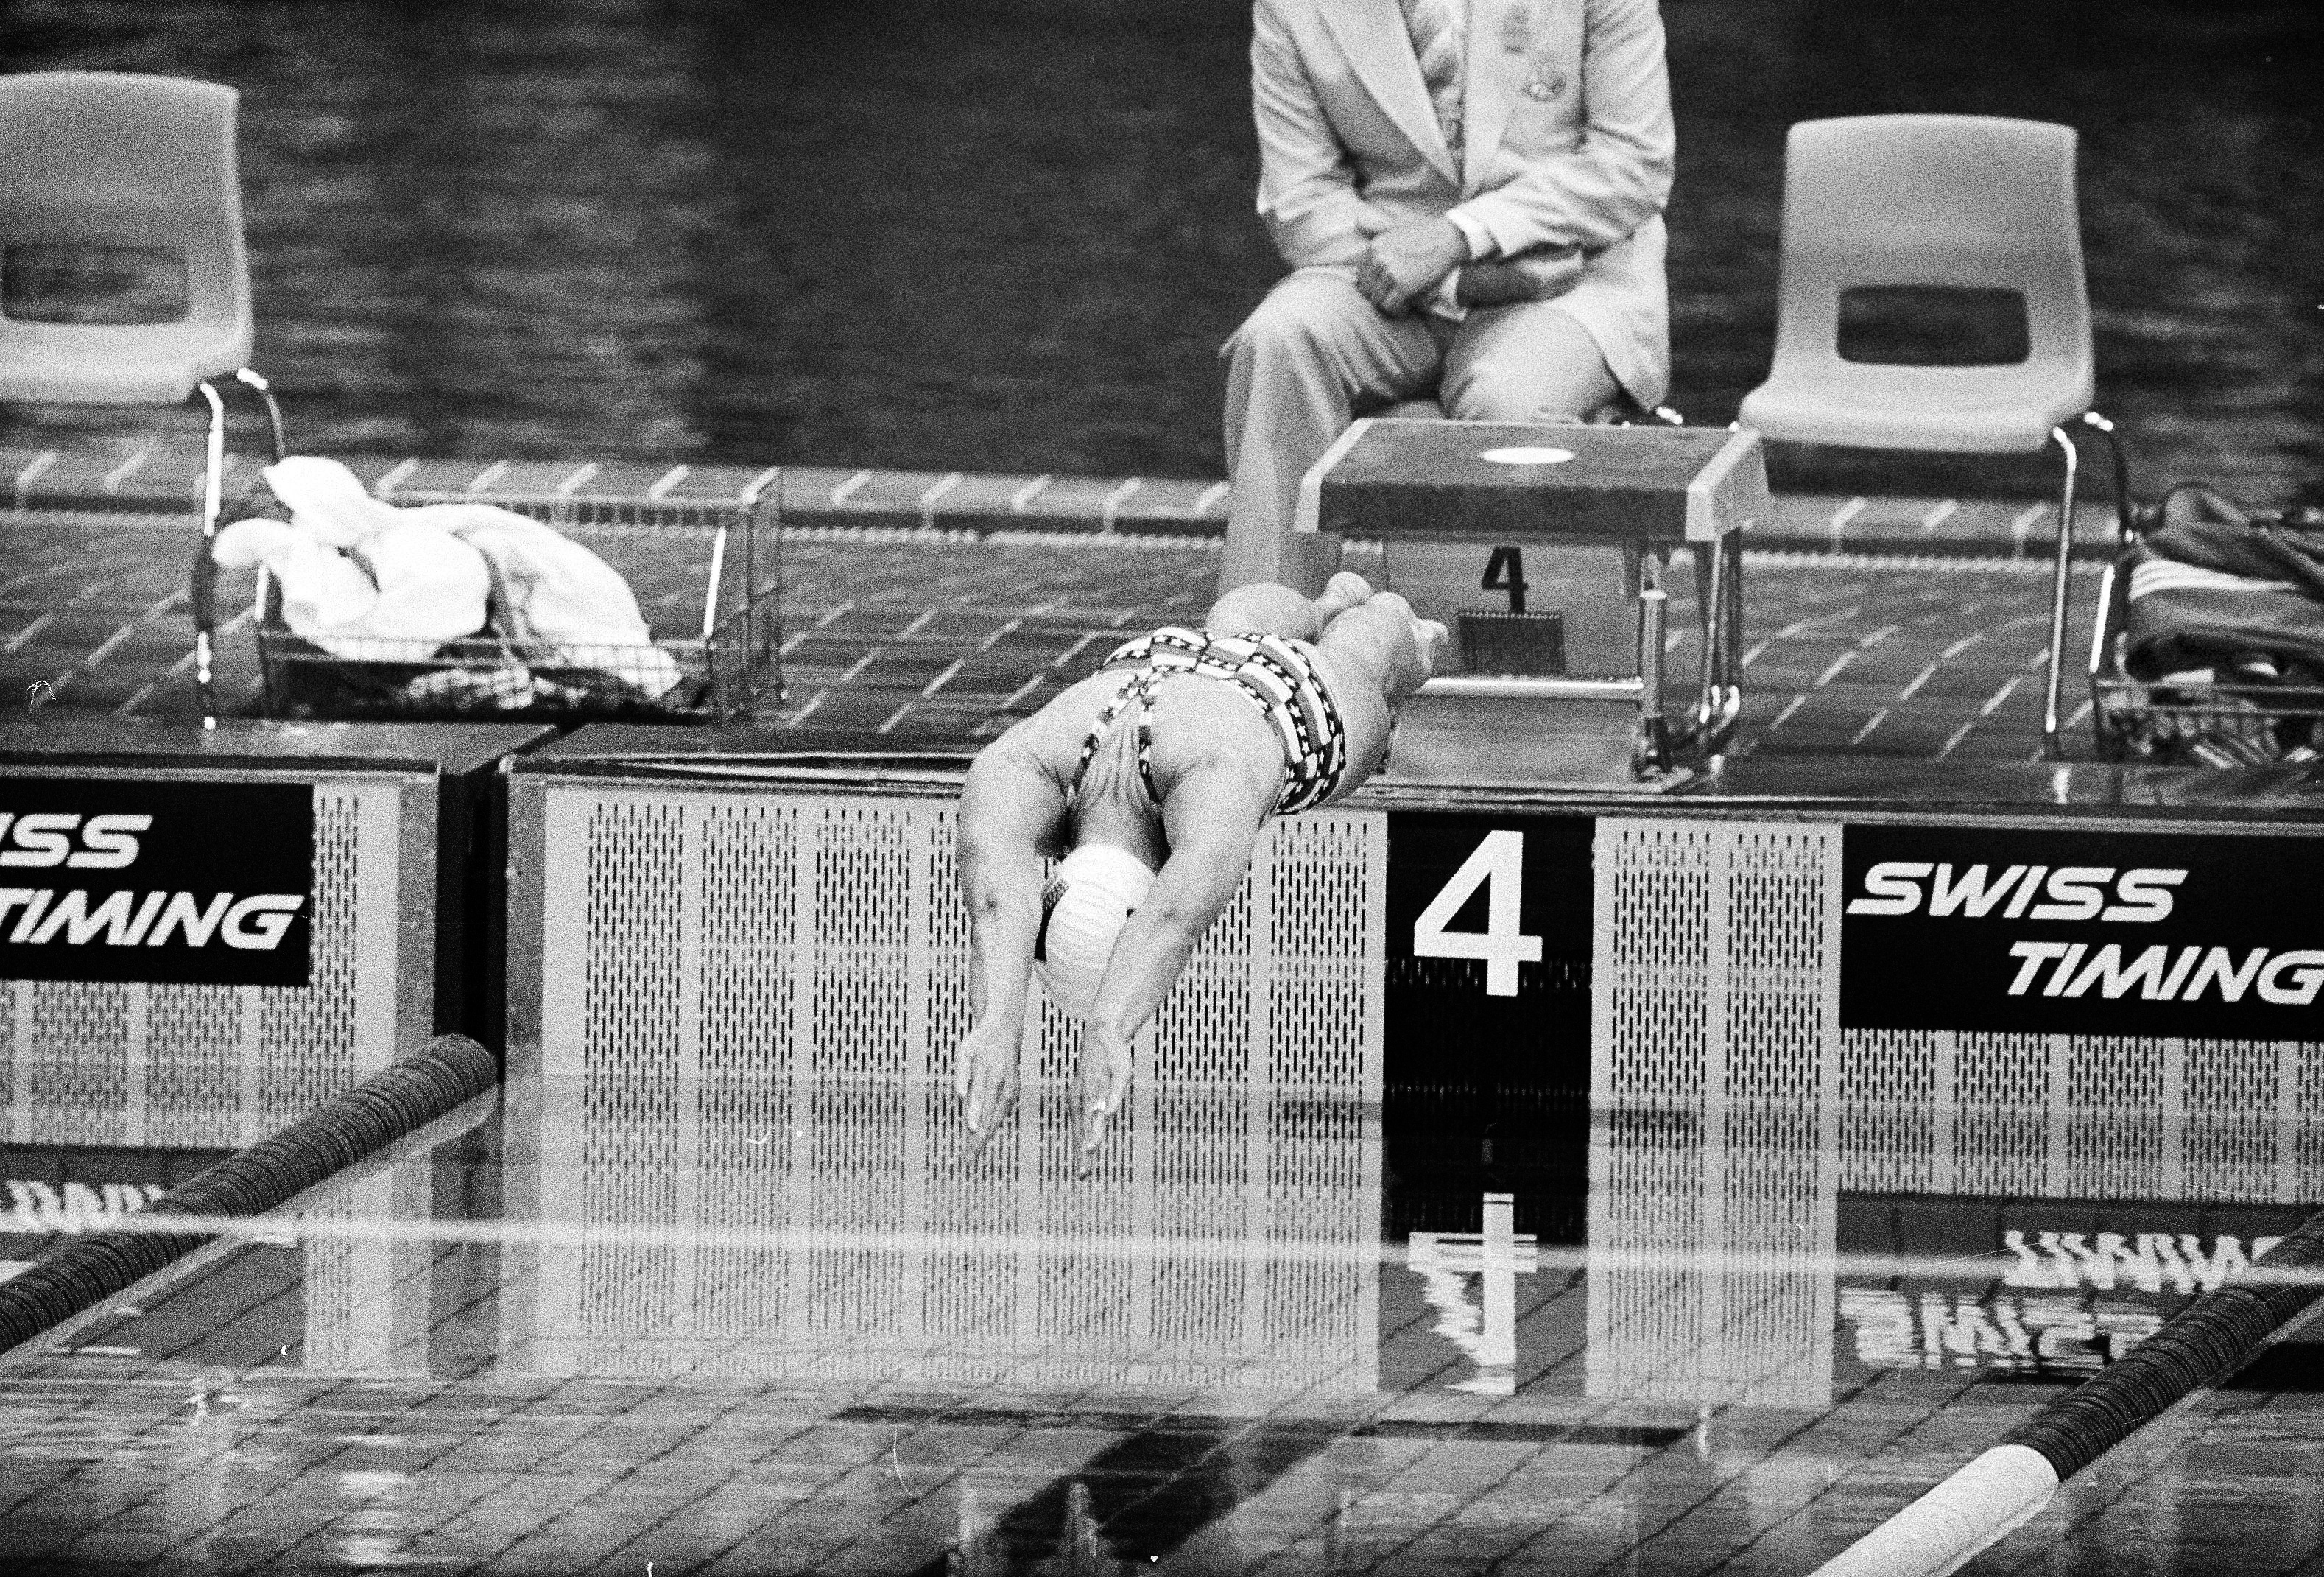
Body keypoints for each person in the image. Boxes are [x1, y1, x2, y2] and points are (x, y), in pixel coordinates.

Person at [954, 574, 1445, 1162]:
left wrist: (1106, 1025)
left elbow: (1172, 919)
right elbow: (998, 903)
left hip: (1291, 700)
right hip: (1160, 658)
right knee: (1232, 628)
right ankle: (1331, 604)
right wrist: (998, 1023)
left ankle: (1397, 628)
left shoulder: (1216, 782)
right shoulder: (1020, 762)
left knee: (1359, 660)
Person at [1221, 0, 1677, 598]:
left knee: (1506, 397)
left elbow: (1633, 166)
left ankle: (1527, 660)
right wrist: (1458, 281)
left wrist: (1465, 236)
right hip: (1387, 279)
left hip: (1568, 274)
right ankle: (1264, 645)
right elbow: (1303, 206)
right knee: (1278, 339)